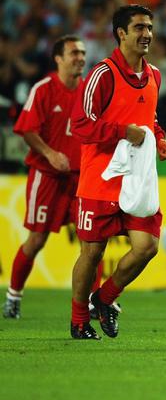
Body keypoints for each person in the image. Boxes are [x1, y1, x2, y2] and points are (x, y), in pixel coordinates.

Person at [69, 4, 166, 340]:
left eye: (150, 27)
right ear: (121, 33)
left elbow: (150, 118)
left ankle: (105, 298)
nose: (147, 34)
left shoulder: (154, 74)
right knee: (93, 251)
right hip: (101, 180)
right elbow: (81, 124)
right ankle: (78, 320)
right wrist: (121, 132)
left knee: (147, 246)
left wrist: (159, 140)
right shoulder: (103, 74)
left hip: (138, 180)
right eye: (140, 28)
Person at [3, 35, 86, 319]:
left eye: (83, 53)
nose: (80, 58)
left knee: (93, 241)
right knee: (36, 240)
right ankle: (14, 295)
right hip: (47, 175)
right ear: (58, 59)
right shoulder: (44, 89)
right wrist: (50, 154)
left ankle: (92, 304)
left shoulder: (89, 91)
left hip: (81, 177)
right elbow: (26, 128)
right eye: (74, 53)